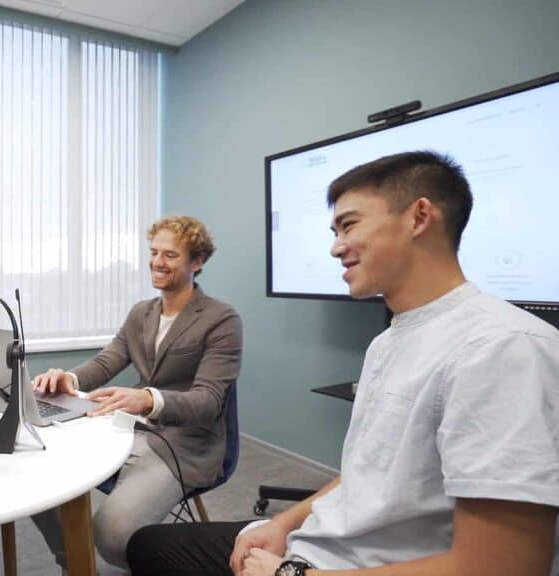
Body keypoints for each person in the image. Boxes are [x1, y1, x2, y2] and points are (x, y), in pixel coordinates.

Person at [126, 151, 559, 576]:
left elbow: (503, 565)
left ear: (419, 217)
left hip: (344, 565)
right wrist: (282, 523)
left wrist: (291, 574)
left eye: (349, 225)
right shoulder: (388, 342)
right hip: (323, 542)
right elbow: (365, 473)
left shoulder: (503, 348)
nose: (335, 248)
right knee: (147, 547)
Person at [31, 215, 244, 569]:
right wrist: (68, 378)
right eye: (154, 252)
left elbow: (208, 403)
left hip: (186, 445)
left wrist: (149, 399)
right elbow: (106, 361)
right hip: (127, 429)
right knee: (38, 478)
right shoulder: (141, 313)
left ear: (198, 262)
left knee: (113, 538)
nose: (157, 262)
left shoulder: (221, 320)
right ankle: (76, 561)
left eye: (171, 255)